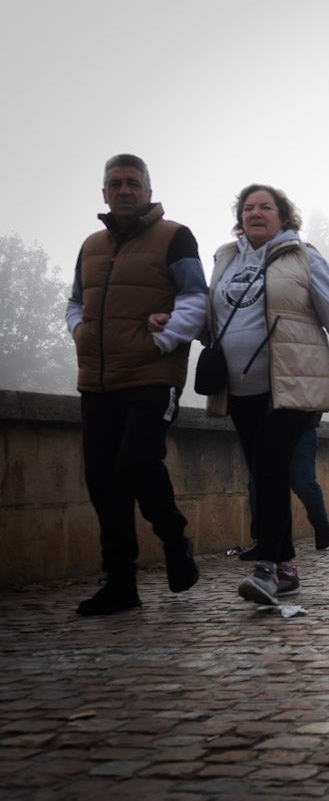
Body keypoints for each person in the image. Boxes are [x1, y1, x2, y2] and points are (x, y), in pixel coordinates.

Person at [205, 184, 329, 605]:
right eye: (248, 207)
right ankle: (286, 567)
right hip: (239, 389)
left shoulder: (303, 257)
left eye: (265, 206)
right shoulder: (225, 259)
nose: (255, 213)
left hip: (292, 386)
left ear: (283, 217)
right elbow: (208, 316)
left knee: (269, 466)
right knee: (263, 474)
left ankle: (268, 566)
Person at [66, 154, 207, 616]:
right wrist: (79, 332)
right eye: (114, 183)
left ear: (147, 190)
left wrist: (164, 339)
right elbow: (74, 303)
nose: (123, 190)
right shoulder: (90, 246)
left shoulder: (175, 237)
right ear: (104, 192)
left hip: (152, 375)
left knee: (136, 462)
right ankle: (121, 584)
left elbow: (195, 298)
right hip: (98, 381)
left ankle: (173, 539)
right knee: (103, 482)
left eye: (132, 183)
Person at [237, 415, 329, 560]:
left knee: (303, 483)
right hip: (265, 426)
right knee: (257, 486)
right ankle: (263, 542)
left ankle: (320, 524)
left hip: (301, 424)